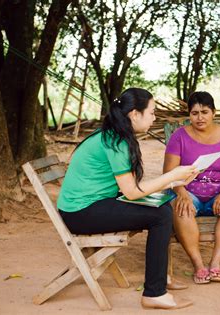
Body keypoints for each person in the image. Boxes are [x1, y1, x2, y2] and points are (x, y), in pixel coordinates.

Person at [57, 88, 197, 310]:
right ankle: (154, 292)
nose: (154, 117)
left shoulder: (117, 135)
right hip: (80, 212)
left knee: (162, 205)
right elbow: (131, 192)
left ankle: (160, 278)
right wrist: (172, 176)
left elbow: (130, 187)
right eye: (151, 113)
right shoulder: (116, 141)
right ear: (134, 114)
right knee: (161, 215)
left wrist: (172, 181)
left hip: (92, 204)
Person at [163, 91, 220, 284]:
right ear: (189, 115)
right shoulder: (179, 137)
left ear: (214, 113)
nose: (199, 117)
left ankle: (215, 264)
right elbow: (169, 170)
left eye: (204, 112)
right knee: (181, 207)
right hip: (188, 191)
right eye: (194, 113)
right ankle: (199, 265)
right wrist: (182, 193)